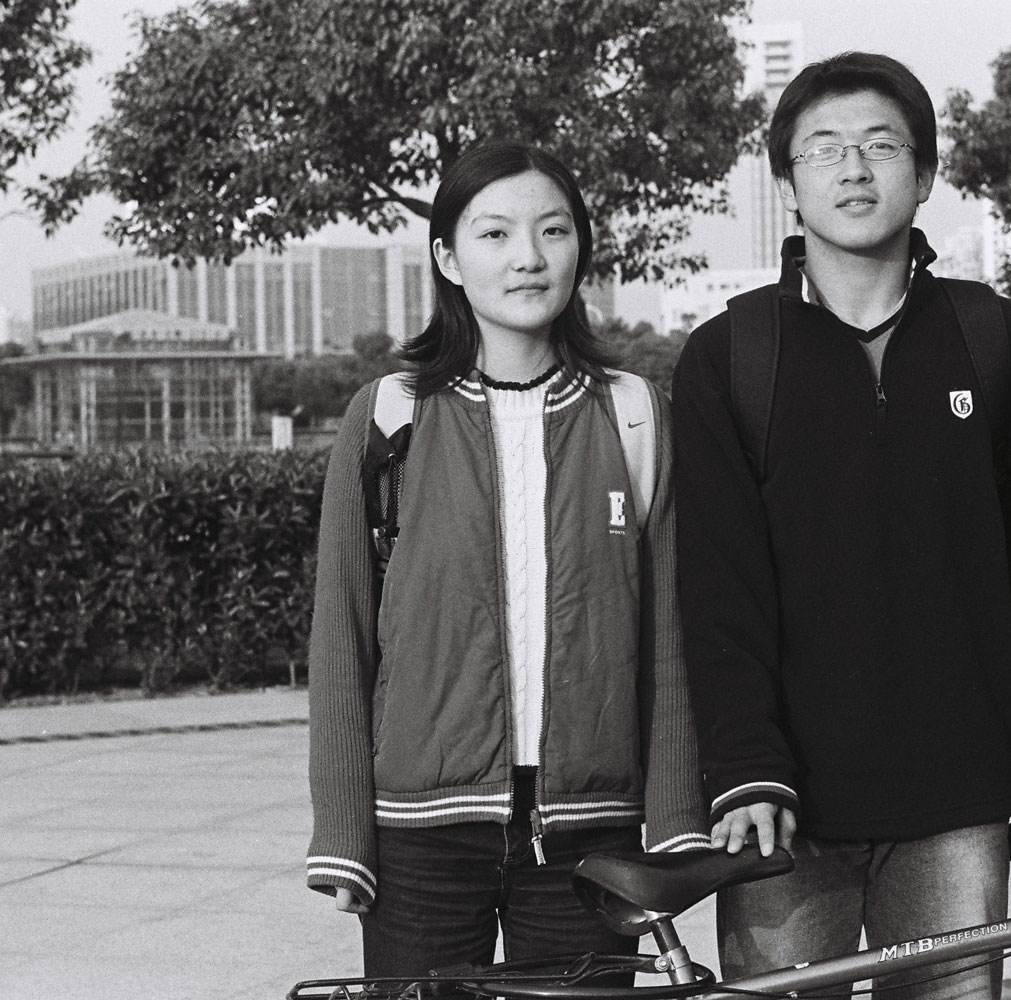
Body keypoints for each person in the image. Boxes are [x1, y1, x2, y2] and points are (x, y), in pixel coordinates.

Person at [670, 53, 1011, 999]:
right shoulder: (730, 357)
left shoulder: (1001, 340)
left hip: (955, 800)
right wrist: (745, 766)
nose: (854, 170)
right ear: (788, 184)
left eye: (881, 146)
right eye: (822, 150)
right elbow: (714, 583)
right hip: (780, 808)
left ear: (926, 175)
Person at [305, 141, 709, 978]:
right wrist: (343, 833)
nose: (528, 257)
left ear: (580, 250)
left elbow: (669, 633)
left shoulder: (633, 414)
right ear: (448, 257)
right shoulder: (389, 414)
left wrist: (675, 820)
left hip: (592, 833)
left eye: (553, 231)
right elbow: (342, 638)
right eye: (494, 235)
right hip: (419, 831)